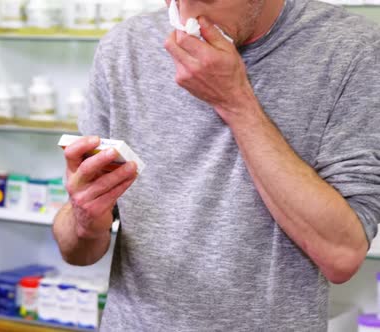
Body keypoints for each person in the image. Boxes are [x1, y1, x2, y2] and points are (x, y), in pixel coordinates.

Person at [53, 0, 380, 330]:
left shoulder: (349, 48)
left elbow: (341, 256)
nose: (185, 15)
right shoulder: (124, 48)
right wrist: (84, 219)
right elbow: (77, 253)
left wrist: (235, 101)